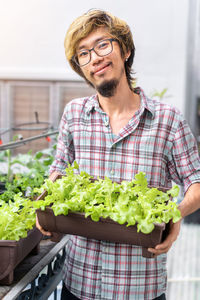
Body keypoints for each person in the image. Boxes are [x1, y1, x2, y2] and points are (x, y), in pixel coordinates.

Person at [36, 9, 200, 300]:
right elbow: (58, 171)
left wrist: (174, 217)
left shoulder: (167, 120)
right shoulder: (74, 114)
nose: (94, 58)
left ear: (124, 50)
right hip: (79, 283)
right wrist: (48, 213)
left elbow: (195, 183)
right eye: (83, 54)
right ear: (81, 68)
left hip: (138, 288)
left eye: (102, 45)